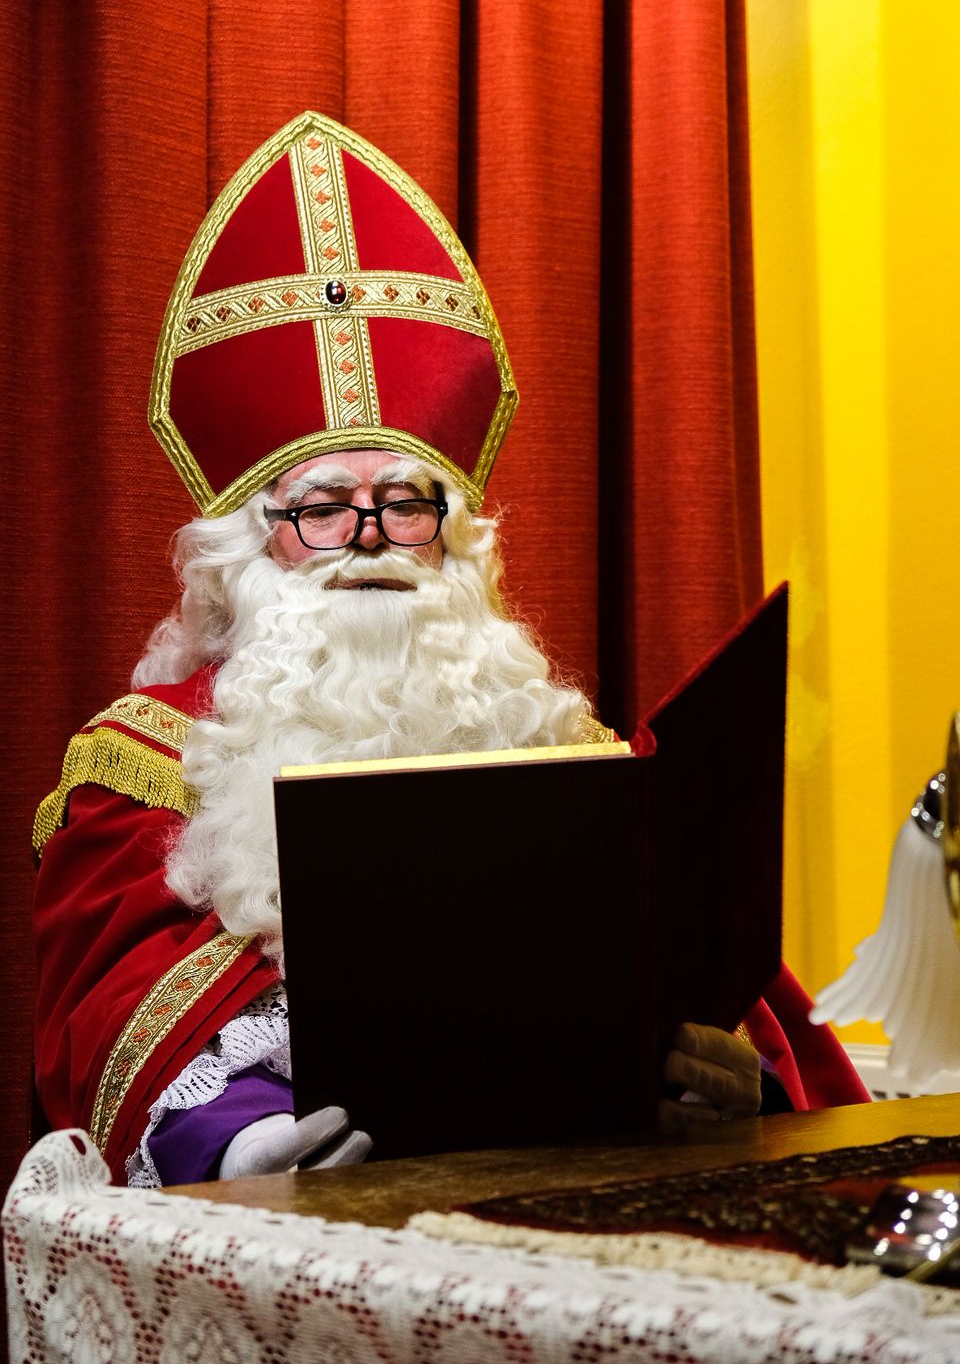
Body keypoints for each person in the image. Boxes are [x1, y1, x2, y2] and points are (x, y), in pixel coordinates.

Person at [33, 113, 869, 1189]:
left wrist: (728, 1080)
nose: (371, 536)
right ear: (249, 548)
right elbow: (108, 1016)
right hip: (307, 1218)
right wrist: (238, 1141)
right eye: (324, 508)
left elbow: (734, 1021)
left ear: (456, 533)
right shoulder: (142, 759)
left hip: (585, 1198)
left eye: (406, 504)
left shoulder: (567, 744)